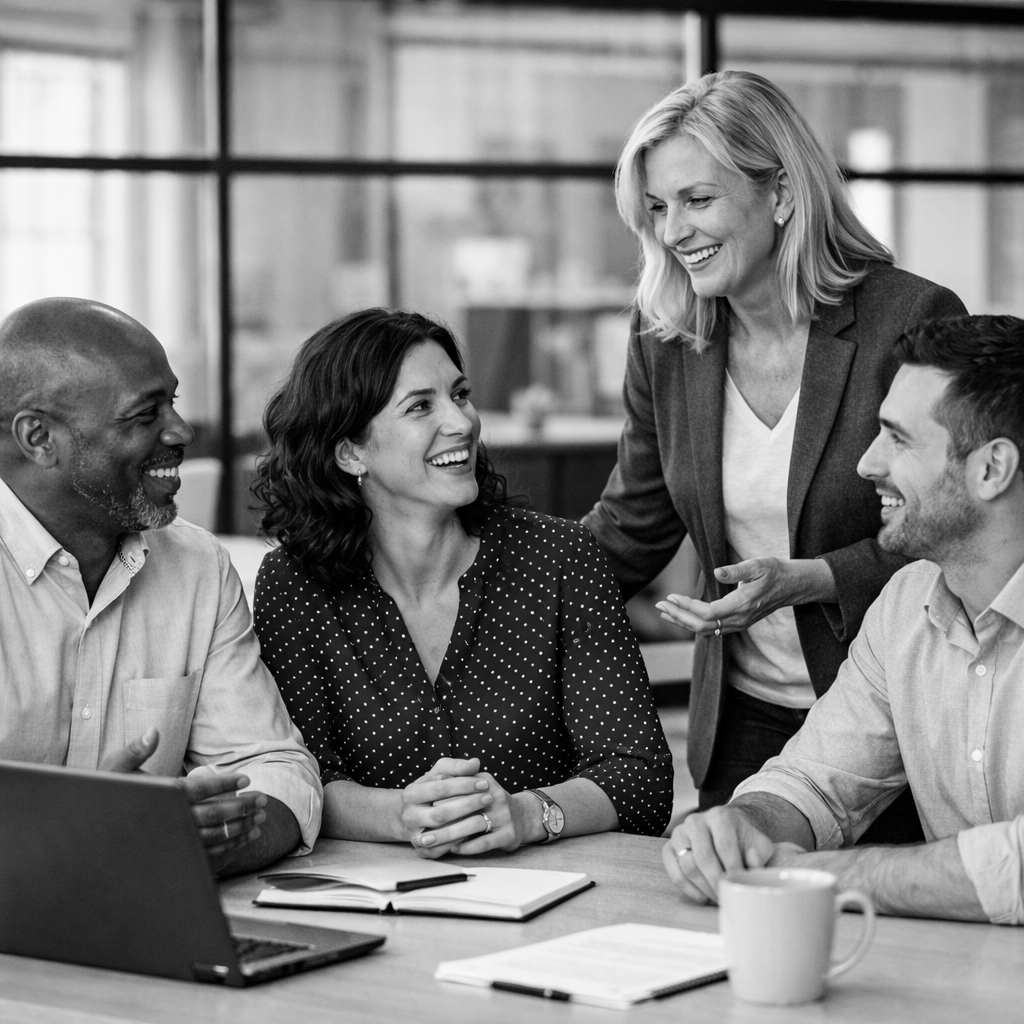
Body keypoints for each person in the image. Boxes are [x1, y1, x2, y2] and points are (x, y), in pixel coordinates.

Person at [582, 70, 966, 838]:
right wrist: (478, 581)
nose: (673, 230)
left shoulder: (908, 318)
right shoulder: (666, 339)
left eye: (697, 200)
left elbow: (962, 529)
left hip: (895, 716)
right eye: (657, 208)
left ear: (782, 194)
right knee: (725, 913)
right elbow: (633, 525)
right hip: (743, 718)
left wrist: (814, 579)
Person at [252, 308, 673, 858]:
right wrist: (401, 814)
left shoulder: (560, 559)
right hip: (380, 902)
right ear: (351, 451)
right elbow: (294, 777)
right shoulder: (294, 585)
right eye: (421, 406)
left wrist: (527, 815)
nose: (462, 422)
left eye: (461, 394)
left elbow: (641, 777)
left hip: (560, 898)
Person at [664, 315, 1024, 924]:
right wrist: (743, 827)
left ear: (991, 469)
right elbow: (815, 781)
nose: (866, 464)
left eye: (899, 439)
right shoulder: (908, 605)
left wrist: (814, 875)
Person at [0, 296, 322, 877]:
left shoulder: (197, 566)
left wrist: (194, 843)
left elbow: (276, 768)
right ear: (39, 438)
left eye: (170, 401)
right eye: (144, 414)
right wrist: (77, 837)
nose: (181, 430)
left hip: (151, 924)